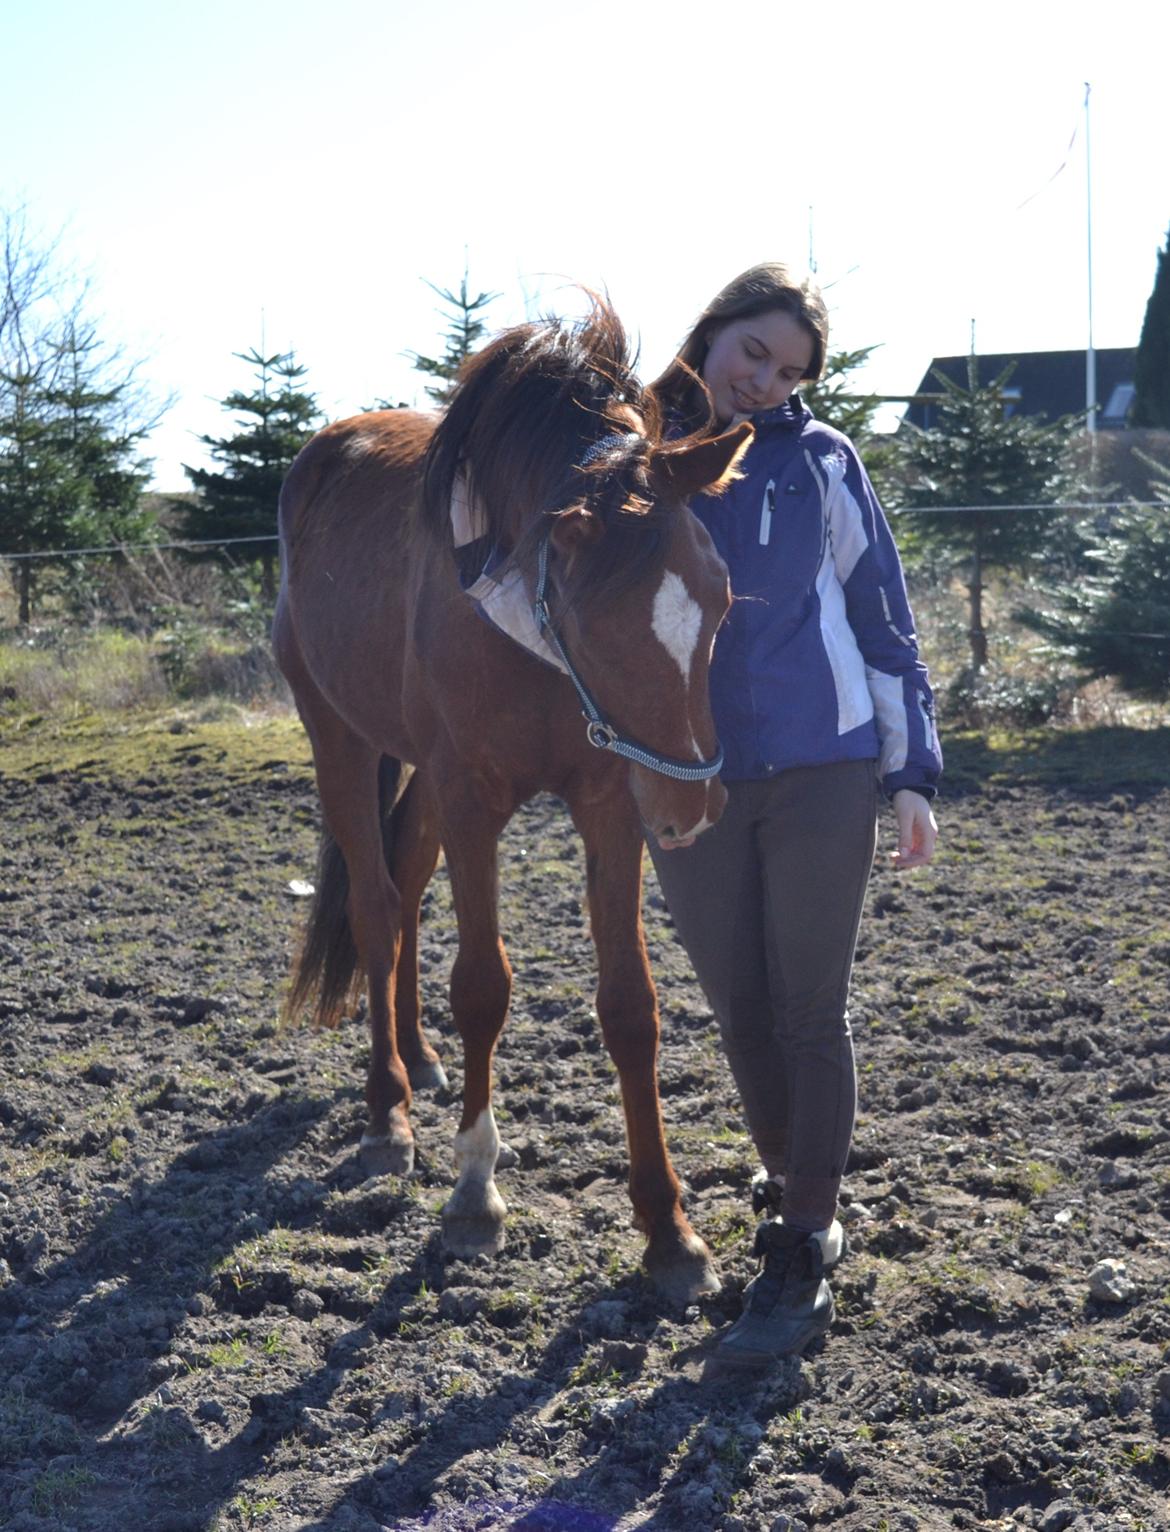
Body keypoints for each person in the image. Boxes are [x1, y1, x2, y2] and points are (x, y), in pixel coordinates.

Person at [647, 263, 941, 1365]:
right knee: (742, 1009)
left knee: (811, 1009)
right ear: (714, 331)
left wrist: (910, 774)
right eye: (753, 353)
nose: (766, 381)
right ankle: (792, 1195)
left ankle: (805, 1244)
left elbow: (883, 618)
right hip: (693, 779)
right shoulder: (638, 461)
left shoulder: (821, 461)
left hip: (826, 770)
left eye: (790, 370)